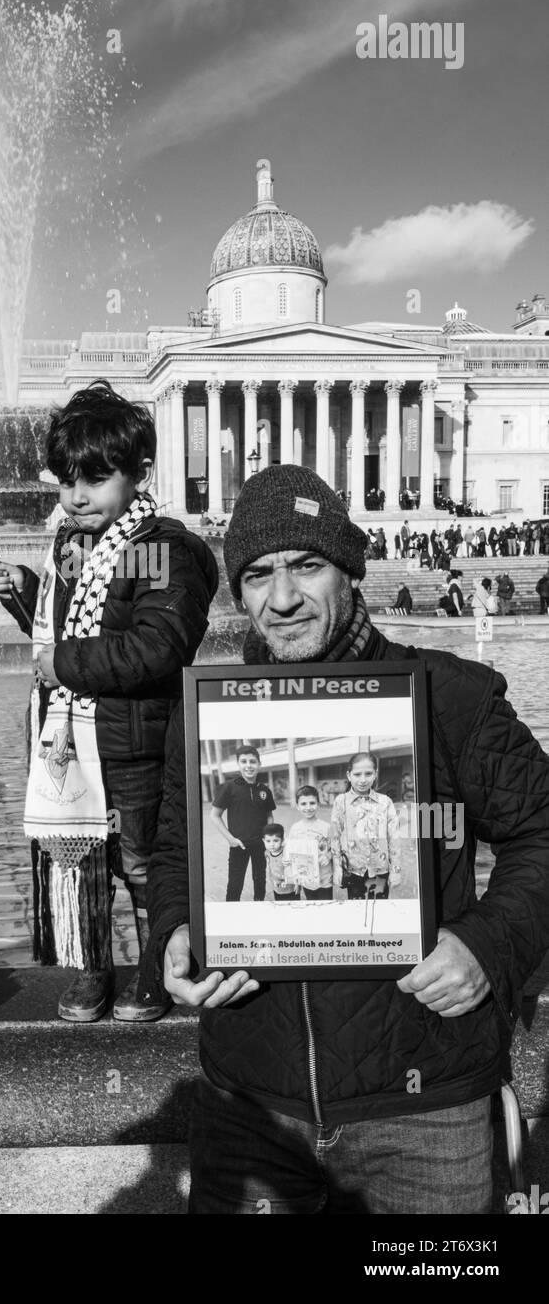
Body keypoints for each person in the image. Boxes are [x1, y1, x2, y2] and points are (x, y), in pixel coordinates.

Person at [143, 463, 549, 1215]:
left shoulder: (450, 696)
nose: (283, 596)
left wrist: (487, 945)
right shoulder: (202, 719)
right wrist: (172, 930)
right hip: (250, 1102)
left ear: (350, 574)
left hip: (423, 1110)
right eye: (258, 574)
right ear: (239, 592)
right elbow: (175, 853)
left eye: (306, 566)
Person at [0, 380, 218, 1023]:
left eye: (94, 478)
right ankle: (91, 969)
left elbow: (157, 647)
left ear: (138, 473)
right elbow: (68, 636)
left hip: (135, 745)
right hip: (68, 744)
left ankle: (153, 970)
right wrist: (26, 594)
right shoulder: (69, 550)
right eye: (66, 481)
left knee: (142, 863)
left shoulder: (162, 549)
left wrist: (61, 661)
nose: (77, 496)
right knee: (78, 863)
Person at [328, 752, 401, 900]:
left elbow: (394, 838)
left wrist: (396, 870)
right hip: (354, 871)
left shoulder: (385, 802)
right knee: (357, 913)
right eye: (357, 774)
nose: (363, 780)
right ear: (349, 775)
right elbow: (334, 837)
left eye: (368, 774)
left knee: (379, 912)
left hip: (380, 870)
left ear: (375, 774)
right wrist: (337, 868)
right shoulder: (341, 802)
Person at [210, 746, 276, 902]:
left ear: (259, 764)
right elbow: (215, 815)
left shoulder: (264, 790)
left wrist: (269, 840)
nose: (249, 765)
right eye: (244, 761)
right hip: (238, 845)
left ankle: (258, 908)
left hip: (260, 845)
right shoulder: (229, 787)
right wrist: (231, 839)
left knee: (260, 881)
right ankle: (231, 916)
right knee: (235, 885)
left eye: (253, 761)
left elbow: (269, 816)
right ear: (238, 764)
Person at [284, 785, 333, 899]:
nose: (308, 807)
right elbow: (291, 853)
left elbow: (335, 849)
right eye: (303, 804)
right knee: (311, 904)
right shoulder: (295, 828)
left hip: (324, 879)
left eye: (312, 803)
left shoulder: (326, 827)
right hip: (306, 879)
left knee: (326, 907)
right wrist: (288, 864)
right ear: (297, 806)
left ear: (318, 804)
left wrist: (328, 856)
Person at [262, 823, 298, 901]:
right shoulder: (267, 853)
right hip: (277, 888)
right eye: (268, 841)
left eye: (276, 841)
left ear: (282, 840)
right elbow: (271, 868)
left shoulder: (286, 853)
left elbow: (296, 868)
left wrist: (297, 884)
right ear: (263, 841)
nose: (272, 844)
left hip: (290, 889)